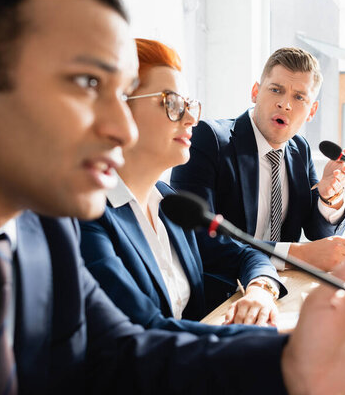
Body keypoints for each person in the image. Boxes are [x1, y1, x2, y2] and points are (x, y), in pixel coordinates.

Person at [0, 0, 345, 394]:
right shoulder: (74, 221)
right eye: (89, 84)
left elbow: (125, 354)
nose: (121, 126)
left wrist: (295, 359)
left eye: (121, 94)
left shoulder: (39, 233)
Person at [79, 38, 286, 334]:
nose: (191, 118)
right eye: (172, 103)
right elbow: (150, 333)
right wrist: (276, 341)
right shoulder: (89, 217)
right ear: (119, 108)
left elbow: (246, 253)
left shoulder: (167, 202)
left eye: (189, 105)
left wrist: (260, 290)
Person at [171, 47, 345, 272]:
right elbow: (197, 240)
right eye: (276, 90)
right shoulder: (208, 139)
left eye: (299, 97)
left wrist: (329, 197)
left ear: (312, 111)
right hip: (223, 290)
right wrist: (296, 255)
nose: (285, 104)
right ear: (255, 91)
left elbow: (319, 234)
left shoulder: (300, 149)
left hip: (279, 284)